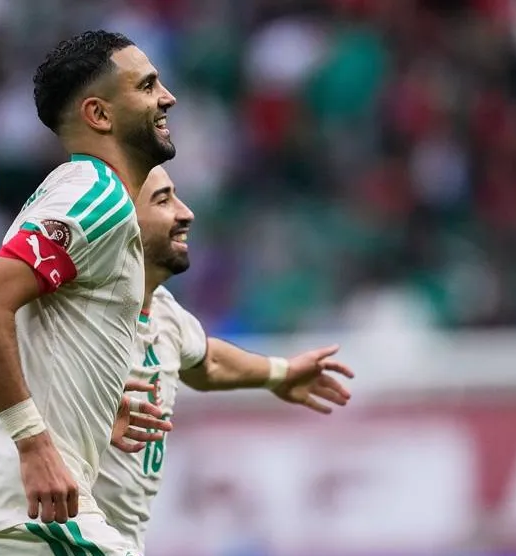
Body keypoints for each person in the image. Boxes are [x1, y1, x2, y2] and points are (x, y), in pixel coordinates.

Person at [0, 30, 176, 556]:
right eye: (148, 85)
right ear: (100, 115)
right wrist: (34, 443)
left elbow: (30, 322)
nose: (167, 97)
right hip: (13, 503)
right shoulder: (98, 194)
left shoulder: (74, 191)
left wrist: (90, 402)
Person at [92, 166, 356, 552]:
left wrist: (278, 373)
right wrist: (78, 413)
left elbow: (206, 362)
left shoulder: (165, 313)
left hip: (117, 541)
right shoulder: (71, 309)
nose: (185, 212)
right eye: (163, 200)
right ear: (122, 224)